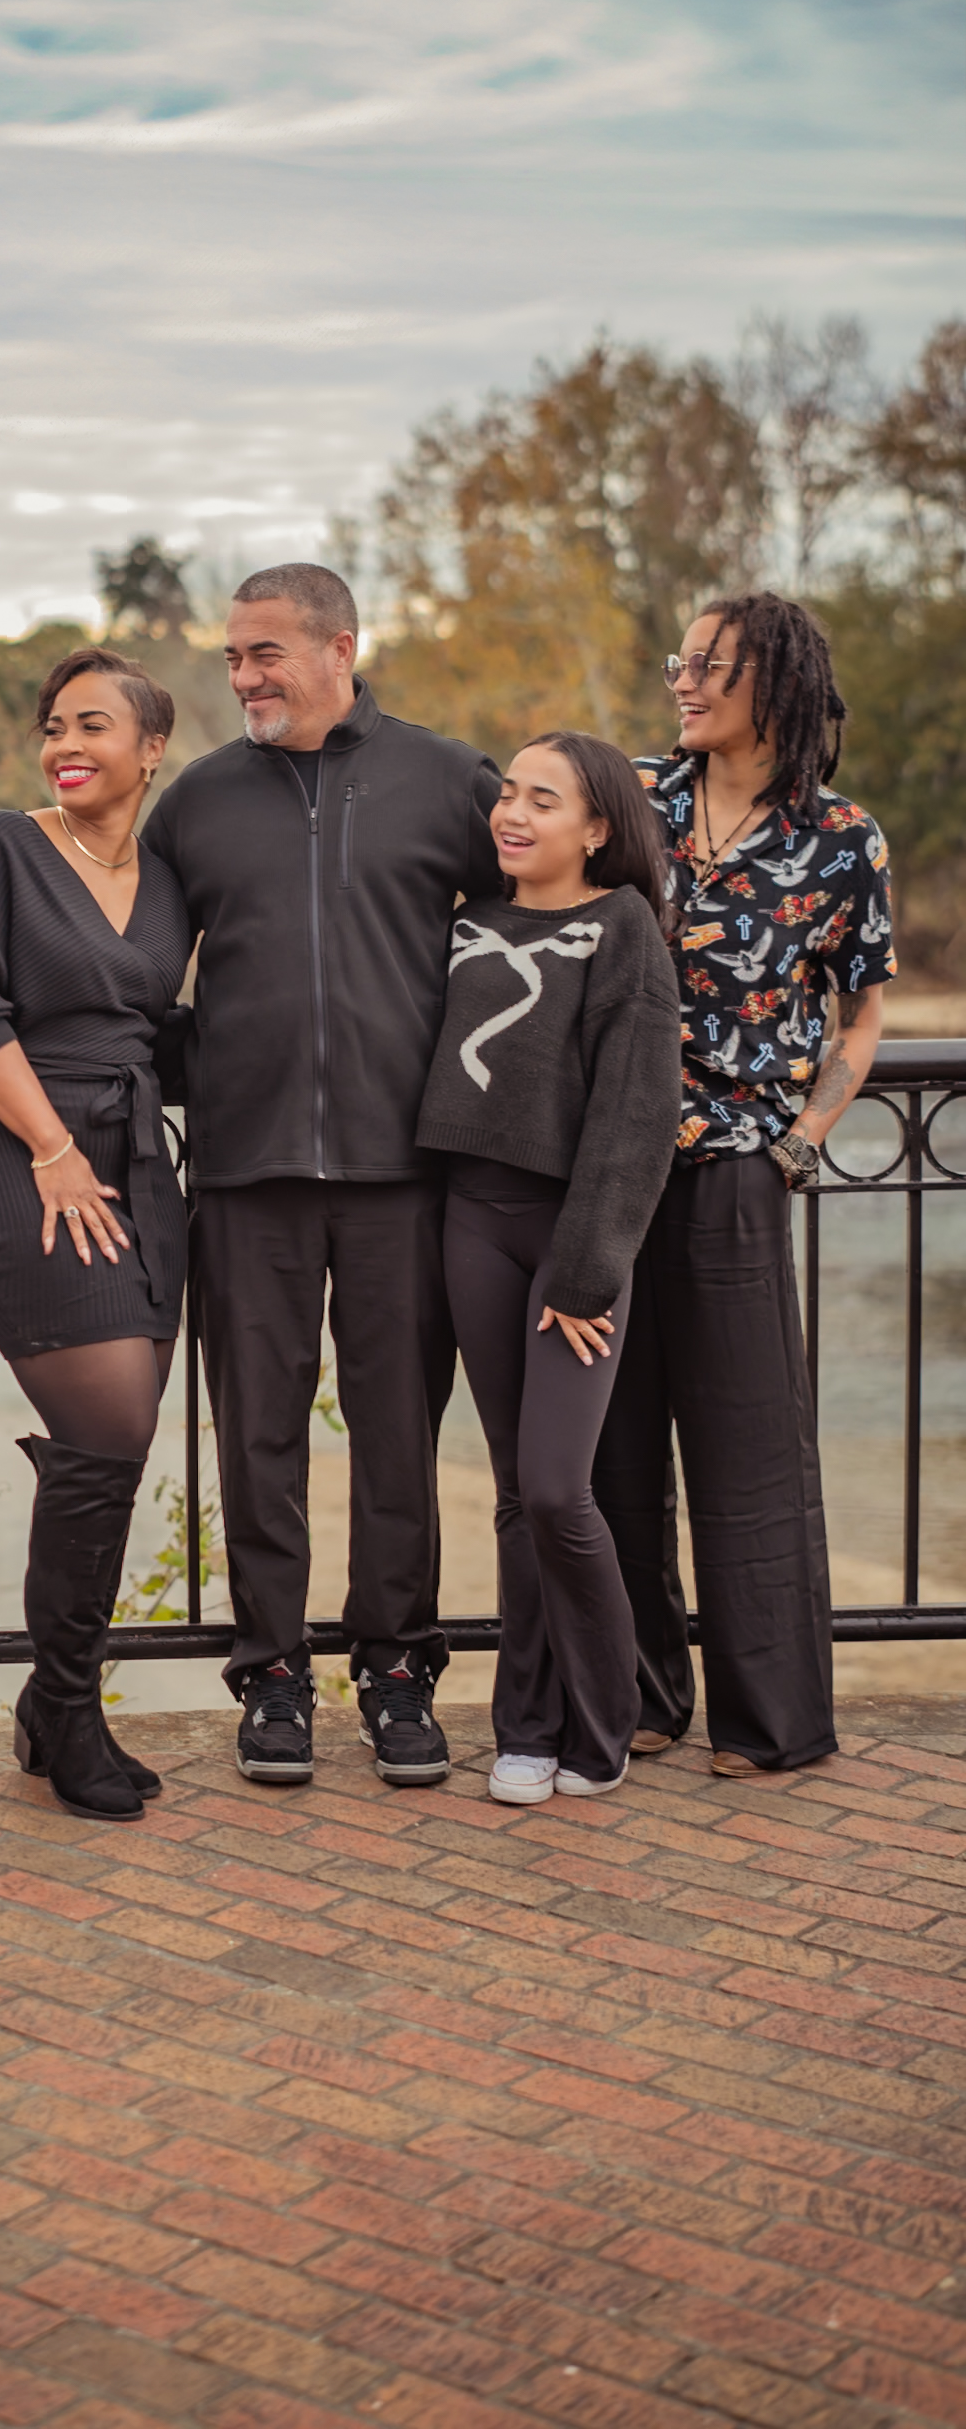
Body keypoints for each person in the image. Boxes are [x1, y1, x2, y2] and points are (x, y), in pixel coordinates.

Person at [142, 564, 503, 1789]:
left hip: (407, 1171)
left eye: (264, 653)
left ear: (339, 647)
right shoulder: (196, 802)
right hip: (244, 1173)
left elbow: (527, 942)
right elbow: (135, 975)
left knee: (397, 1434)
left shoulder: (447, 780)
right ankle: (273, 1675)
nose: (242, 676)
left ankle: (396, 1672)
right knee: (257, 1436)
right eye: (232, 656)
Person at [592, 592, 896, 1777]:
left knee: (748, 1452)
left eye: (708, 663)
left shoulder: (841, 840)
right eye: (679, 660)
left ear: (774, 682)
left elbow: (860, 1013)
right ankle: (639, 1697)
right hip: (604, 1165)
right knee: (611, 1451)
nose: (682, 679)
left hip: (734, 1169)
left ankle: (768, 1724)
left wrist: (801, 1138)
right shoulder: (631, 799)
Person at [0, 647, 189, 1822]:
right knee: (109, 1423)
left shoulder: (168, 879)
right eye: (53, 726)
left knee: (114, 1444)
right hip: (22, 1163)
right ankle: (65, 1708)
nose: (64, 745)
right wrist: (53, 1148)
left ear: (150, 748)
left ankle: (53, 1703)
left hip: (134, 1169)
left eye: (91, 725)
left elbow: (158, 1026)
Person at [417, 735, 679, 1804]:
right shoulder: (466, 920)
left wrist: (584, 1270)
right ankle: (523, 1726)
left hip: (569, 1240)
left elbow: (635, 1113)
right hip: (470, 1222)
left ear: (596, 827)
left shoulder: (622, 929)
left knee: (559, 1488)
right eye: (507, 794)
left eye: (541, 798)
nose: (511, 813)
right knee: (515, 1497)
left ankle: (606, 1718)